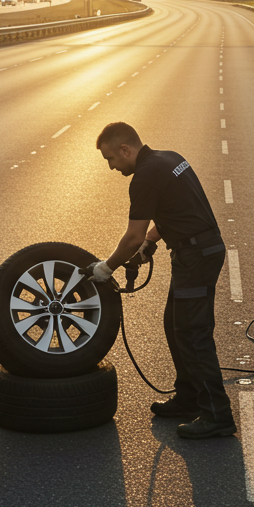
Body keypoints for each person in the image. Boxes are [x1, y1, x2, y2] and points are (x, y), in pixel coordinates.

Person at [89, 122, 235, 439]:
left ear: (125, 149)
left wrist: (107, 267)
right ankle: (189, 399)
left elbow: (131, 237)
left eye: (110, 159)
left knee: (193, 334)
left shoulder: (144, 177)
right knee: (175, 324)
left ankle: (217, 414)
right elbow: (177, 213)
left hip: (196, 256)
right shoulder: (168, 158)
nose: (112, 167)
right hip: (199, 251)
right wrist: (151, 242)